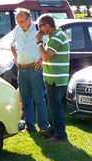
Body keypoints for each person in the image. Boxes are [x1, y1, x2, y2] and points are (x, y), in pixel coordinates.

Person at [11, 8, 49, 134]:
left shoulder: (39, 29)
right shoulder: (17, 30)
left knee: (39, 99)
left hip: (35, 68)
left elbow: (48, 47)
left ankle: (43, 126)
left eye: (22, 21)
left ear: (29, 18)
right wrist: (16, 58)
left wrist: (42, 60)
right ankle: (30, 126)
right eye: (18, 22)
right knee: (26, 100)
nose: (21, 24)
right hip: (22, 69)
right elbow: (11, 45)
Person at [36, 14, 70, 142]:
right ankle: (53, 129)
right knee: (52, 106)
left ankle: (60, 134)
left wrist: (39, 41)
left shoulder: (56, 37)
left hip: (56, 79)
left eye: (41, 26)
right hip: (52, 78)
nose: (40, 30)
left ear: (47, 25)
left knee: (55, 107)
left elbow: (46, 56)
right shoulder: (54, 36)